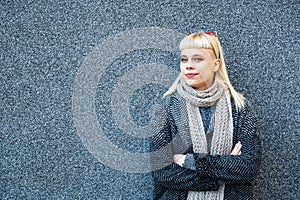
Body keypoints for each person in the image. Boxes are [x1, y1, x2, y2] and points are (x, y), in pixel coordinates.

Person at [150, 32, 261, 200]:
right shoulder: (166, 108)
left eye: (198, 59)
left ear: (216, 64)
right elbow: (162, 172)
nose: (188, 65)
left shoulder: (239, 107)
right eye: (184, 59)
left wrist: (189, 162)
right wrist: (222, 173)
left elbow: (248, 167)